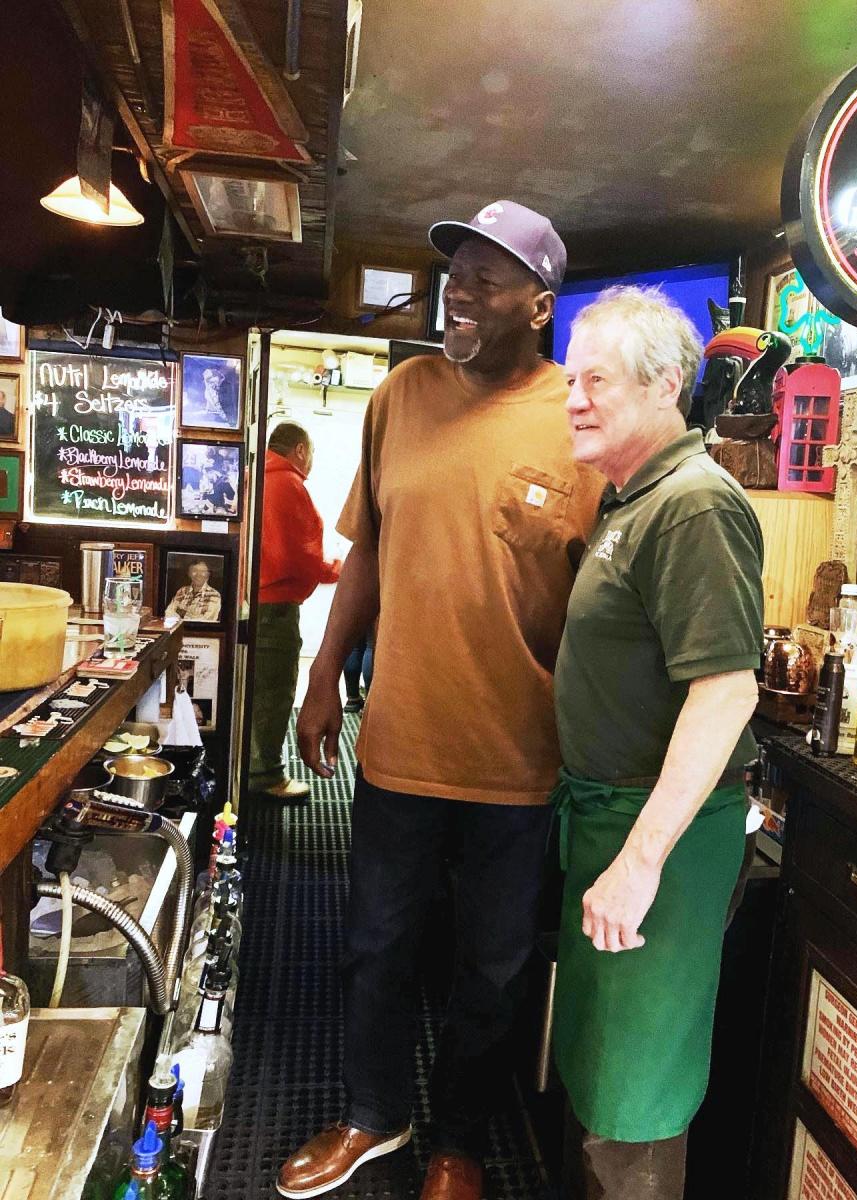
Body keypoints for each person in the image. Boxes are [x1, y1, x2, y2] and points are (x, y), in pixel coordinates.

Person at [281, 201, 603, 1200]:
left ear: (539, 306)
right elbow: (368, 547)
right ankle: (374, 1115)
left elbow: (603, 597)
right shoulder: (402, 394)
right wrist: (324, 672)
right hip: (401, 741)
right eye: (452, 273)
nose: (456, 292)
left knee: (492, 968)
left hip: (516, 758)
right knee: (376, 942)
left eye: (486, 279)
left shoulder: (581, 422)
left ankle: (459, 1136)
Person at [552, 285, 764, 1199]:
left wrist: (640, 863)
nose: (573, 399)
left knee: (635, 1097)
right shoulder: (633, 501)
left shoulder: (693, 506)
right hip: (608, 820)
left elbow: (724, 694)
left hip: (657, 842)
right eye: (571, 379)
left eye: (596, 379)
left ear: (665, 385)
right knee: (603, 1077)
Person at [249, 421, 341, 799]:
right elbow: (300, 556)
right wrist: (337, 570)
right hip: (275, 608)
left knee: (252, 692)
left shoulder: (253, 476)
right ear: (300, 450)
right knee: (273, 692)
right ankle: (264, 775)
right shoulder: (288, 484)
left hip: (248, 603)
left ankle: (249, 767)